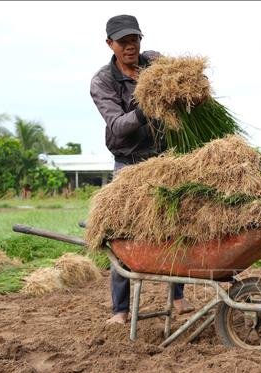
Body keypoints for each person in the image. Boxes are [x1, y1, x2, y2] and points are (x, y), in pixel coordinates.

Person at [90, 14, 193, 324]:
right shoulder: (103, 81)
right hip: (130, 164)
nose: (131, 46)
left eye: (134, 39)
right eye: (123, 42)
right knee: (122, 231)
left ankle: (178, 298)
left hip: (165, 158)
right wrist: (146, 105)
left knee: (177, 223)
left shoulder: (155, 62)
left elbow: (178, 80)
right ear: (110, 44)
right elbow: (119, 127)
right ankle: (120, 310)